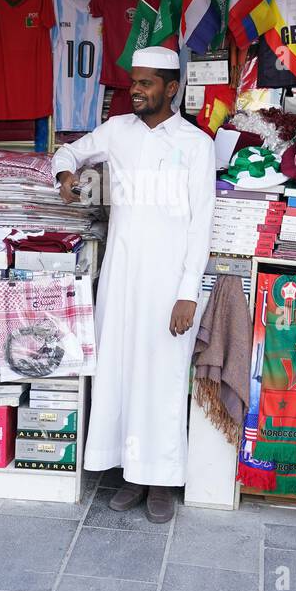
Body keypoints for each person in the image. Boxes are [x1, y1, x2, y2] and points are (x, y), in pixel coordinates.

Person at [52, 44, 215, 523]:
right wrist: (66, 173)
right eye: (134, 82)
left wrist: (188, 292)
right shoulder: (116, 131)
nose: (136, 90)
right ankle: (128, 474)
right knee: (121, 373)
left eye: (146, 83)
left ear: (172, 87)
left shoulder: (196, 144)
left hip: (170, 283)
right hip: (121, 276)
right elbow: (69, 149)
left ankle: (162, 479)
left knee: (162, 378)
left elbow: (200, 223)